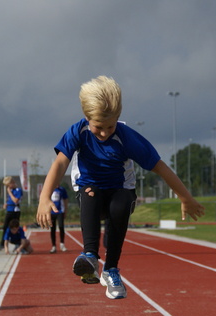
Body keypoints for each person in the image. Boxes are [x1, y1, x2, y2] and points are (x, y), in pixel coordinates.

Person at [36, 76, 204, 300]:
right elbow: (60, 163)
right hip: (90, 191)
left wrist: (185, 198)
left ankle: (111, 269)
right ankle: (91, 257)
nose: (105, 133)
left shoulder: (127, 138)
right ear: (87, 118)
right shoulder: (78, 132)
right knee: (90, 193)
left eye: (110, 126)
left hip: (119, 190)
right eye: (98, 127)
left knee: (121, 203)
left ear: (118, 118)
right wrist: (44, 198)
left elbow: (161, 168)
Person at [0, 176, 23, 251]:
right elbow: (10, 200)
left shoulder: (18, 190)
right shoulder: (11, 190)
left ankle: (18, 243)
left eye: (8, 185)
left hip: (15, 211)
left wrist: (10, 193)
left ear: (12, 183)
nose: (8, 187)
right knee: (5, 227)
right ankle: (2, 243)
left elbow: (16, 200)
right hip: (9, 210)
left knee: (15, 228)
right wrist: (7, 204)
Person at [49, 185, 69, 253]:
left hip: (60, 211)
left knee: (61, 227)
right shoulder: (49, 189)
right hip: (52, 212)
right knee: (52, 228)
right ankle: (53, 246)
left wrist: (65, 210)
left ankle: (62, 244)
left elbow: (65, 200)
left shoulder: (62, 189)